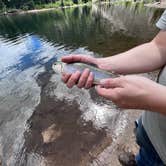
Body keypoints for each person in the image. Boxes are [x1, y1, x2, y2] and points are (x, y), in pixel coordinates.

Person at [61, 10, 166, 166]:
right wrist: (102, 65)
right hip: (151, 129)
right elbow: (160, 47)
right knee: (143, 157)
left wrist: (153, 99)